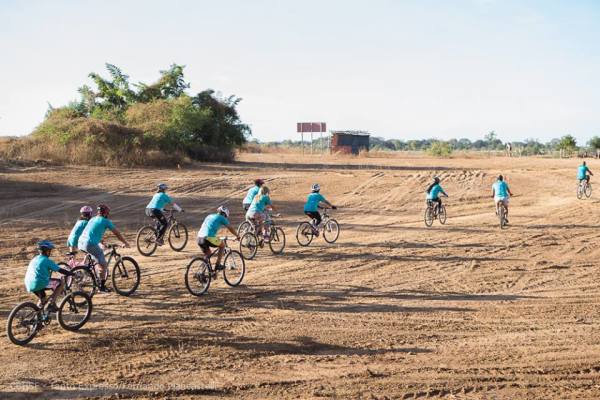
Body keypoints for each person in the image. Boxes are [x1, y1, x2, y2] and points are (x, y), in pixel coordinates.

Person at [78, 204, 130, 292]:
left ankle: (89, 274)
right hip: (90, 244)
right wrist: (125, 243)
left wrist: (102, 242)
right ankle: (102, 287)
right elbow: (117, 233)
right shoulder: (106, 221)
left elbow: (93, 232)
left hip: (81, 242)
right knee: (104, 264)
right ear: (106, 213)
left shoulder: (93, 219)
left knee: (97, 258)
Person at [24, 240, 73, 312]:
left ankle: (37, 317)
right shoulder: (46, 260)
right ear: (47, 251)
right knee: (60, 283)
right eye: (50, 250)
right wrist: (72, 273)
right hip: (39, 282)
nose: (50, 252)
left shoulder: (35, 258)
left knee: (43, 300)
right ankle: (51, 303)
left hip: (28, 282)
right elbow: (60, 270)